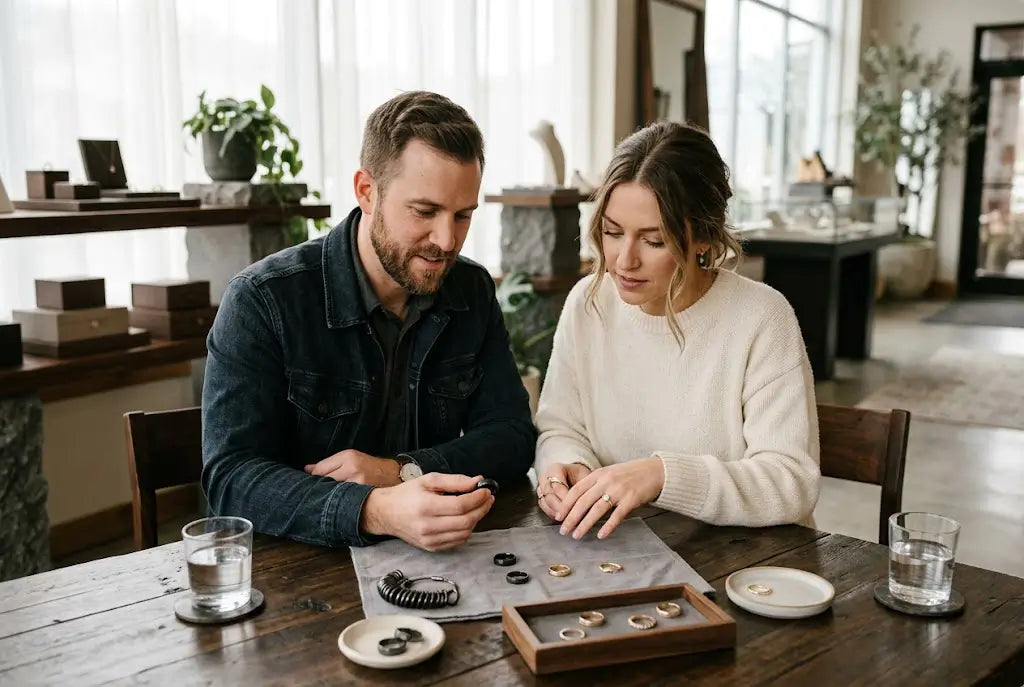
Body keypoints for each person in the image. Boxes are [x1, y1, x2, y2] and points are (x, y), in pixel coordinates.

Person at [201, 91, 536, 552]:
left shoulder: (470, 289)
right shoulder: (263, 300)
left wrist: (399, 471)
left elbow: (513, 435)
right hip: (300, 571)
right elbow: (232, 478)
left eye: (463, 215)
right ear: (367, 192)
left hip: (444, 560)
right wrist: (374, 508)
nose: (446, 239)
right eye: (425, 211)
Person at [534, 121, 820, 541]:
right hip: (621, 549)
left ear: (703, 236)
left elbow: (791, 482)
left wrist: (662, 475)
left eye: (653, 241)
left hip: (742, 560)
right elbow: (560, 427)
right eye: (612, 233)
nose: (623, 261)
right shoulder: (588, 302)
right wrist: (566, 464)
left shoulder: (761, 317)